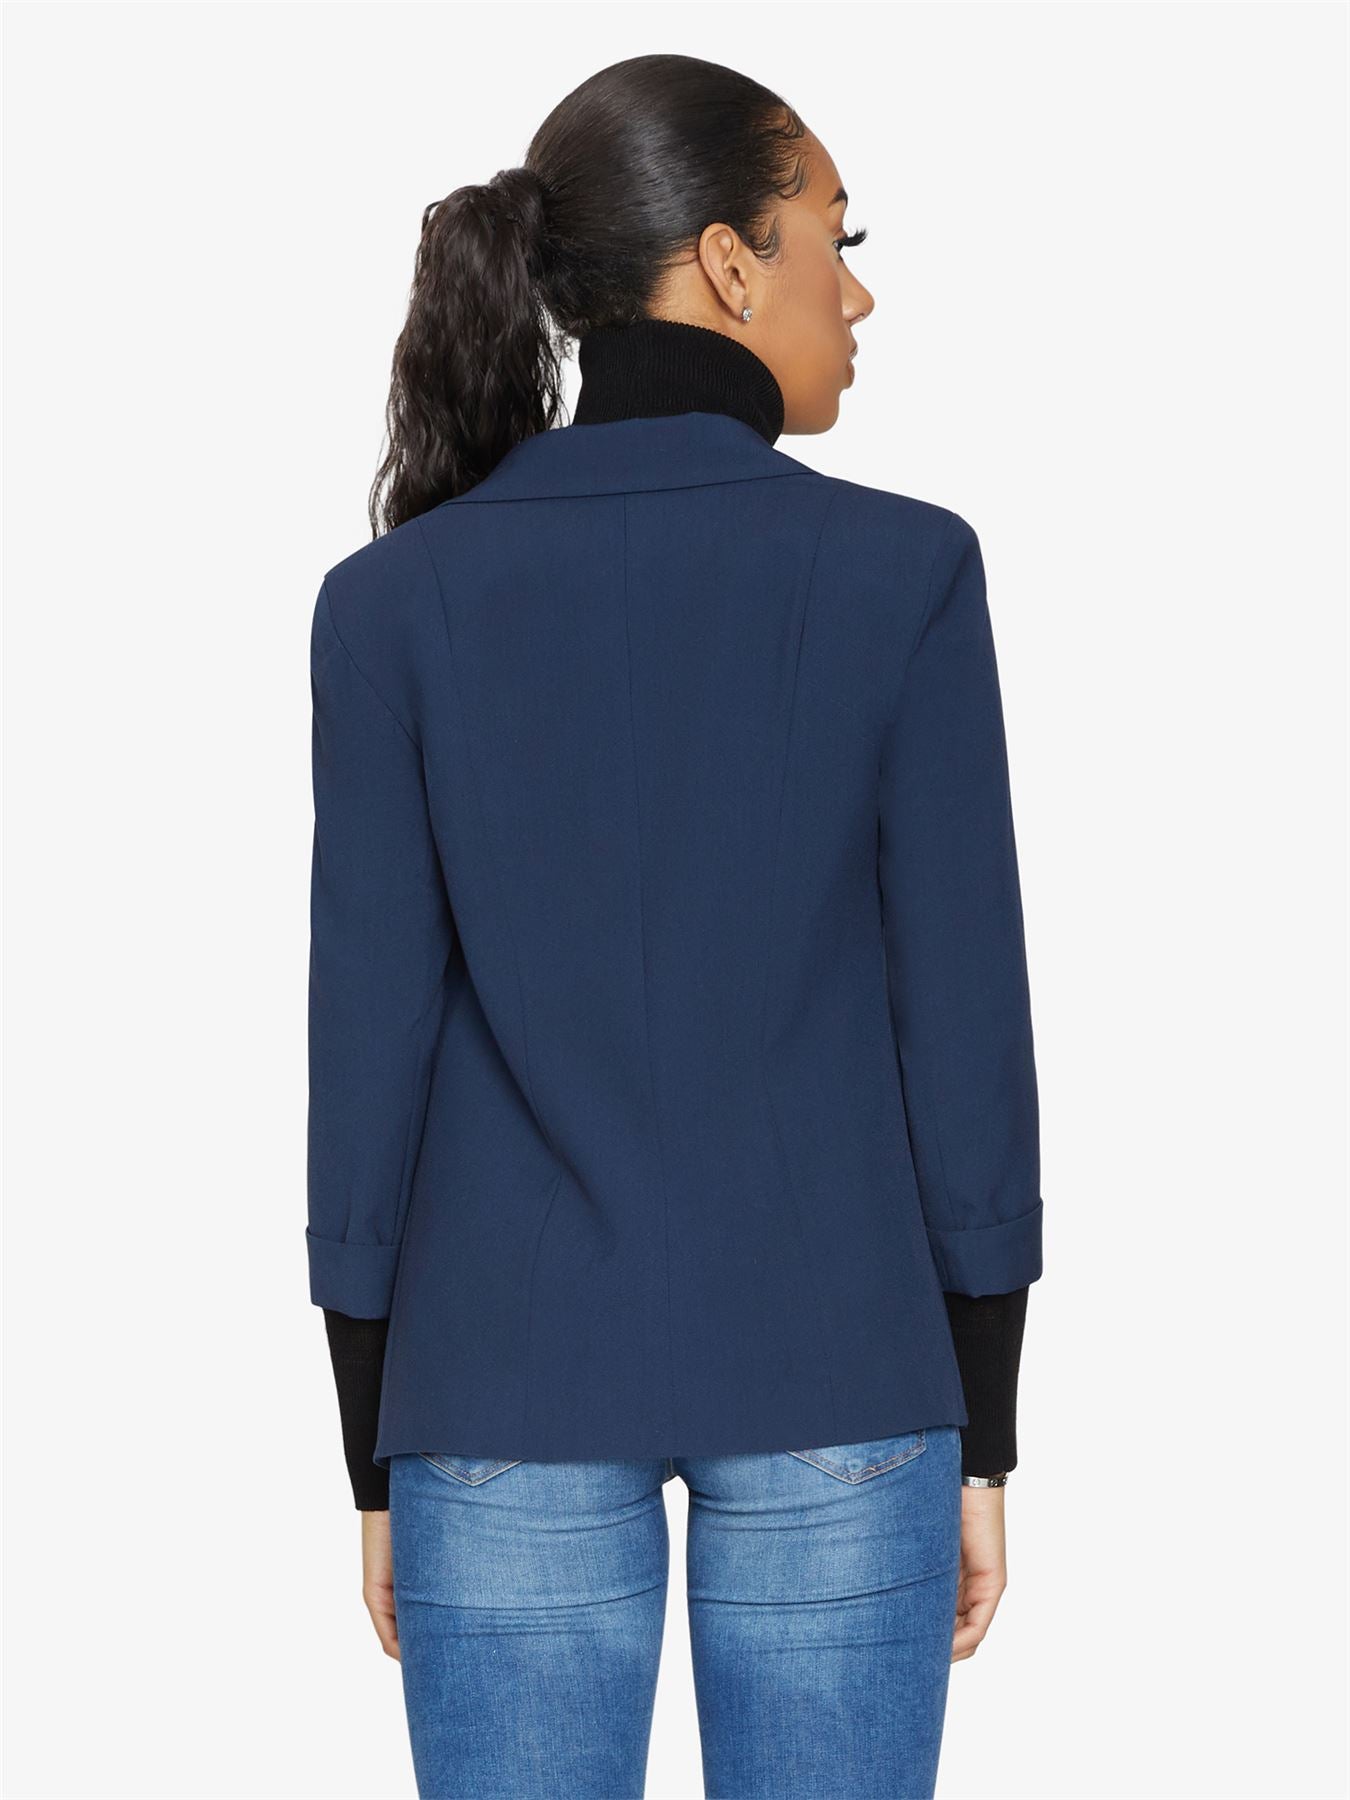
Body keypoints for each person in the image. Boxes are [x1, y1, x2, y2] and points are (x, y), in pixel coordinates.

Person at [307, 51, 1044, 1800]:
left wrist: (371, 1449)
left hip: (490, 1394)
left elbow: (365, 1053)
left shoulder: (393, 602)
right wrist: (986, 1421)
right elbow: (965, 1027)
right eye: (834, 238)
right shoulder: (903, 574)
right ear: (725, 261)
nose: (854, 294)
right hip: (843, 1370)